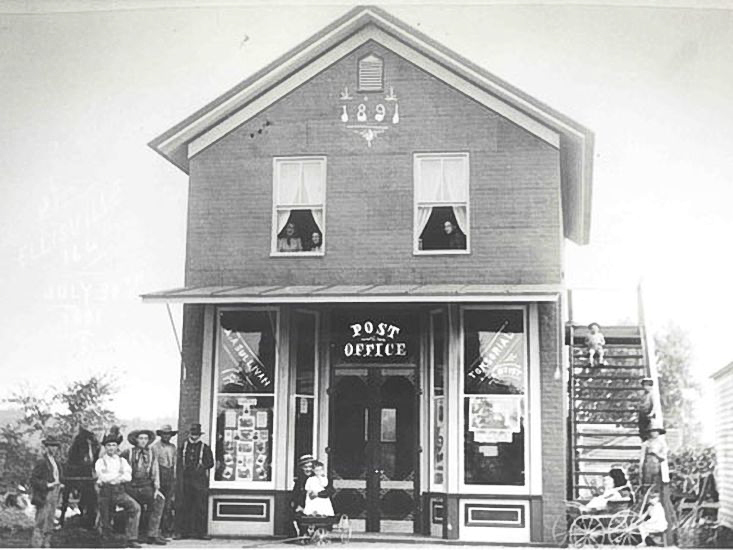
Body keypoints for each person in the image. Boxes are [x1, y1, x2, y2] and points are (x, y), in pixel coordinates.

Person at [95, 427, 142, 549]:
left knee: (135, 508)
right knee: (105, 517)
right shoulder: (100, 462)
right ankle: (106, 540)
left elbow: (128, 476)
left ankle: (131, 538)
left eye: (113, 445)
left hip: (119, 492)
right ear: (105, 447)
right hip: (105, 492)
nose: (111, 448)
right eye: (108, 445)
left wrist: (114, 476)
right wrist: (118, 475)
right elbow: (103, 477)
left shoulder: (122, 461)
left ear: (117, 447)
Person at [121, 429, 167, 545]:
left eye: (145, 439)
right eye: (141, 438)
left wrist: (156, 488)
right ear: (136, 440)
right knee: (134, 507)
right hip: (131, 486)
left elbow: (155, 471)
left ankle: (152, 534)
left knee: (159, 500)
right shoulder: (128, 452)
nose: (143, 441)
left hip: (146, 486)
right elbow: (120, 469)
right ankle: (132, 537)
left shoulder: (151, 453)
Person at [176, 423, 214, 540]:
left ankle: (201, 532)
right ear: (189, 434)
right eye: (193, 434)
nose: (194, 436)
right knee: (185, 506)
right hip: (186, 480)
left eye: (196, 434)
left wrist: (202, 467)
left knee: (201, 507)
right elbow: (178, 463)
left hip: (200, 481)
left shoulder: (205, 447)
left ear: (199, 435)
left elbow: (211, 463)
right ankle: (184, 532)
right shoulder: (183, 447)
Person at [60, 425, 100, 529]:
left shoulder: (92, 442)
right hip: (75, 470)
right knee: (66, 493)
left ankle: (89, 518)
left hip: (86, 470)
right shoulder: (79, 442)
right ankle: (62, 518)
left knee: (90, 494)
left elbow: (94, 455)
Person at [30, 436, 63, 548]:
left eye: (55, 446)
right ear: (46, 447)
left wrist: (60, 484)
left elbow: (58, 477)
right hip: (45, 494)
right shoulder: (42, 462)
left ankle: (46, 542)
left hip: (55, 493)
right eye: (51, 446)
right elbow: (33, 479)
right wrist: (47, 484)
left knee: (50, 519)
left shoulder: (56, 463)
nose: (54, 448)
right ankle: (36, 544)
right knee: (41, 519)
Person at [152, 424, 177, 539]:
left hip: (170, 477)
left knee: (168, 505)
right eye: (164, 434)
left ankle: (167, 529)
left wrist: (175, 478)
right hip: (160, 476)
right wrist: (156, 481)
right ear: (161, 435)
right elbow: (155, 465)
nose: (167, 436)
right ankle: (157, 530)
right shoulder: (155, 447)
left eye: (168, 434)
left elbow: (174, 463)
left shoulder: (172, 447)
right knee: (158, 505)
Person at [638, 378, 656, 442]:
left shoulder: (652, 394)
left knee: (648, 430)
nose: (645, 387)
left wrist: (651, 413)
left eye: (647, 385)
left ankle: (647, 441)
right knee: (642, 429)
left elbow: (654, 405)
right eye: (644, 385)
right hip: (642, 414)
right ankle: (643, 440)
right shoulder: (643, 394)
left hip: (648, 414)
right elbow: (641, 403)